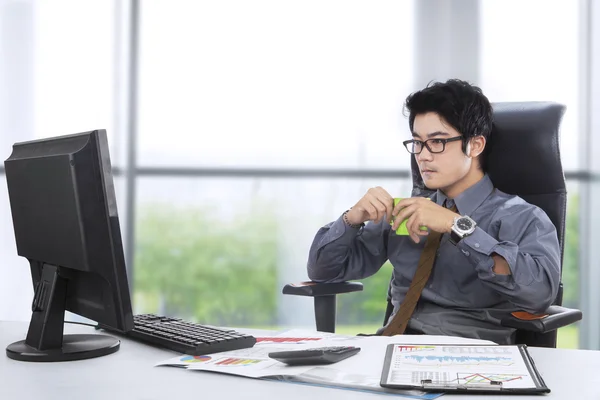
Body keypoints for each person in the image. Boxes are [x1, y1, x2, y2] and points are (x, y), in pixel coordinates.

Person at [306, 79, 561, 344]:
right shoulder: (406, 210)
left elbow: (540, 294)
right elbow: (323, 272)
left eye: (437, 142)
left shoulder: (522, 217)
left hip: (469, 355)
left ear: (475, 145)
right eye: (417, 142)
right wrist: (351, 219)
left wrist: (458, 225)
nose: (423, 156)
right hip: (390, 346)